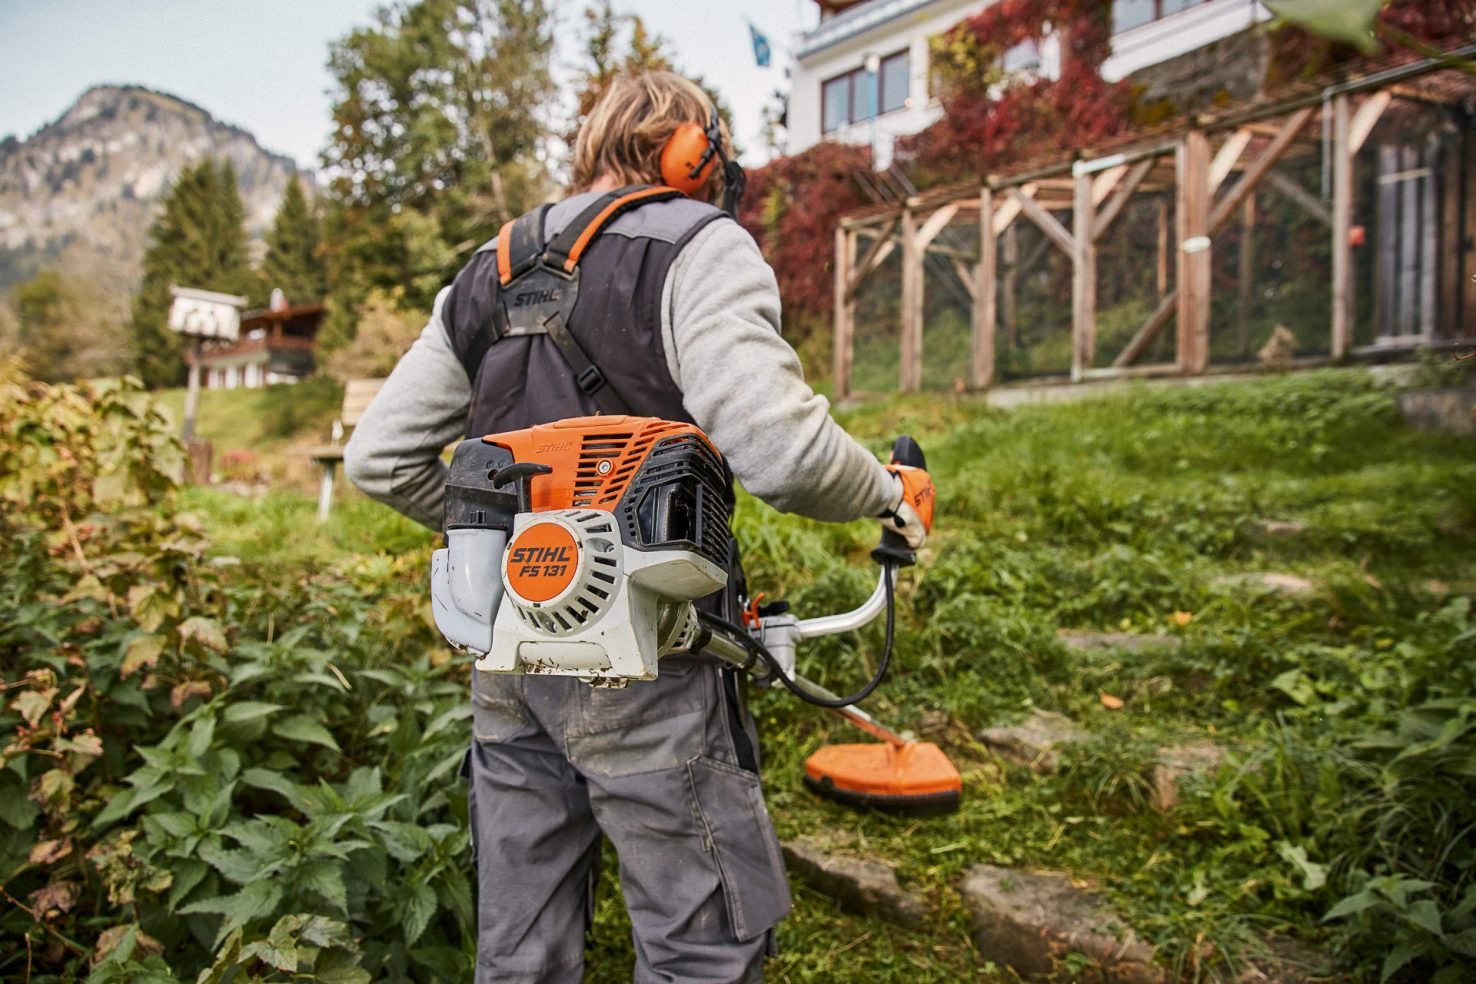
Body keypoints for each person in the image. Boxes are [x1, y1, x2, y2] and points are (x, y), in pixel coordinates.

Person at [345, 71, 934, 984]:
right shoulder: (699, 242)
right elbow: (780, 448)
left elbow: (378, 458)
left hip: (508, 652)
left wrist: (519, 548)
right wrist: (887, 494)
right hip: (650, 655)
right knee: (701, 949)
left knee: (518, 952)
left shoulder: (488, 268)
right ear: (690, 151)